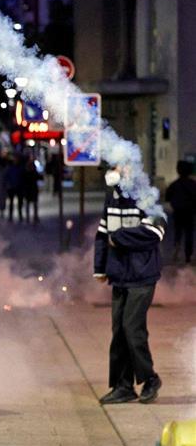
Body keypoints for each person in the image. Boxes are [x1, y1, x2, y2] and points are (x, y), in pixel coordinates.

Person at [94, 166, 166, 404]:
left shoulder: (146, 194)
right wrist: (100, 267)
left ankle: (150, 379)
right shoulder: (113, 195)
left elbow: (155, 231)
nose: (113, 170)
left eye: (118, 166)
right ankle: (123, 386)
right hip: (119, 274)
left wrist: (119, 238)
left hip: (142, 274)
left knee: (132, 328)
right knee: (119, 331)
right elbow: (103, 233)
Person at [164, 160, 196, 265]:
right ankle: (188, 255)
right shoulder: (193, 184)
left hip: (178, 212)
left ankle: (176, 249)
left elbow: (167, 197)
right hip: (189, 212)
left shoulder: (174, 184)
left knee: (178, 232)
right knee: (189, 234)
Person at [20, 154, 43, 224]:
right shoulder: (28, 171)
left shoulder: (30, 171)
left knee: (32, 204)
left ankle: (33, 216)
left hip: (31, 189)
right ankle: (31, 216)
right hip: (30, 189)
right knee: (31, 204)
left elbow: (39, 177)